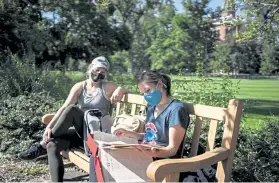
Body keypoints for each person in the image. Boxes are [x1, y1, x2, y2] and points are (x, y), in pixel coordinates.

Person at [18, 56, 129, 182]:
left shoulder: (107, 87)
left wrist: (121, 89)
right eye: (98, 69)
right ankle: (48, 154)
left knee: (73, 110)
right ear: (91, 68)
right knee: (52, 145)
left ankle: (40, 146)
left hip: (96, 134)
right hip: (81, 133)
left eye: (103, 71)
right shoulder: (79, 87)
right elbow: (63, 108)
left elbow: (129, 92)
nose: (100, 73)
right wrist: (49, 127)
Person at [113, 70, 190, 180]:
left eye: (147, 90)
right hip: (146, 154)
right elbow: (151, 135)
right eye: (143, 93)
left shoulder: (176, 110)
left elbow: (172, 149)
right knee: (106, 155)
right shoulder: (151, 106)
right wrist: (128, 133)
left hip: (162, 161)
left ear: (159, 85)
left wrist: (152, 152)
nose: (146, 96)